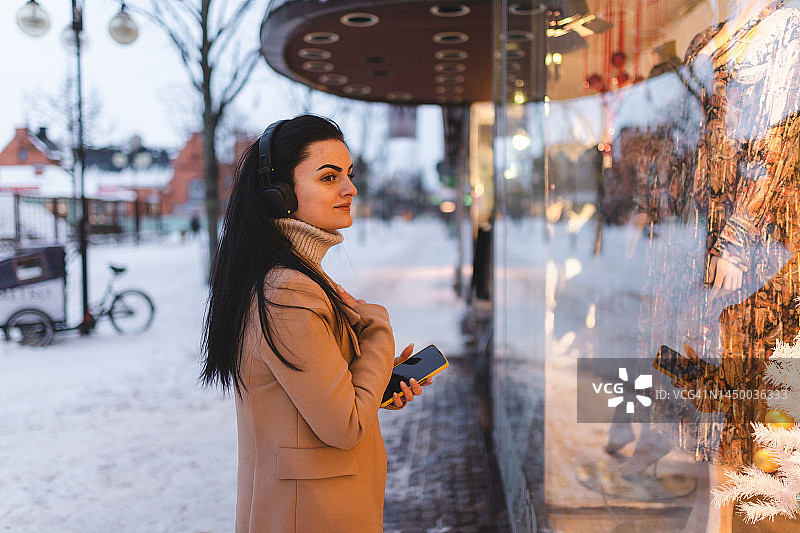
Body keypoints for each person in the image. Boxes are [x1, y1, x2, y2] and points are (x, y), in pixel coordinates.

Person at [200, 114, 427, 532]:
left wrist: (379, 381)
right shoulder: (289, 292)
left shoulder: (288, 278)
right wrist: (376, 328)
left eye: (348, 174)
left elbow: (310, 405)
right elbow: (345, 426)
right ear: (279, 195)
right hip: (312, 515)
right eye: (328, 177)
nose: (350, 189)